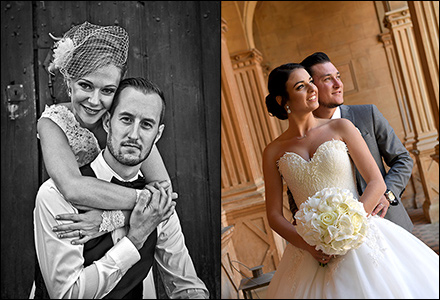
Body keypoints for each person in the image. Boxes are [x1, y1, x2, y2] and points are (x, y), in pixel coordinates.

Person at [262, 63, 439, 298]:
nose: (312, 89)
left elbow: (376, 181)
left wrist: (352, 227)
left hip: (361, 233)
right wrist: (308, 246)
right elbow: (274, 215)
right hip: (310, 250)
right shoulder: (273, 151)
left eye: (311, 82)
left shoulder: (341, 127)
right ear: (282, 100)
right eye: (301, 87)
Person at [32, 21, 175, 298]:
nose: (95, 101)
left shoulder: (122, 123)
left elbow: (164, 192)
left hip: (118, 238)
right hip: (73, 234)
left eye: (107, 90)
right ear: (69, 81)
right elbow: (73, 188)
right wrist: (145, 204)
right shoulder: (53, 122)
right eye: (86, 85)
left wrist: (111, 218)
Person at [34, 77, 209, 299]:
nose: (134, 135)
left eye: (146, 125)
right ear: (107, 123)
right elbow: (68, 295)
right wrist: (134, 240)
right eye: (126, 119)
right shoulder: (54, 197)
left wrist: (111, 219)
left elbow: (185, 284)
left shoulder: (159, 204)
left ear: (158, 134)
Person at [286, 51, 414, 232]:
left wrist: (387, 194)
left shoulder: (367, 114)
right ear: (311, 88)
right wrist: (305, 222)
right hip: (333, 233)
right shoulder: (303, 136)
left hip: (386, 222)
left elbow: (403, 159)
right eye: (327, 79)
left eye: (338, 77)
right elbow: (296, 188)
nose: (338, 85)